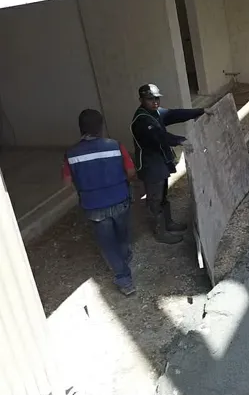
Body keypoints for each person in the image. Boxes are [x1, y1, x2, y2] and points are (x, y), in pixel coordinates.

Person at [63, 109, 137, 296]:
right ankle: (125, 256)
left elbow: (66, 183)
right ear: (101, 127)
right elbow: (130, 173)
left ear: (81, 129)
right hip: (120, 199)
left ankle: (124, 280)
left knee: (107, 244)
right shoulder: (115, 146)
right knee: (122, 232)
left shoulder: (71, 154)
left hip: (94, 206)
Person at [131, 83, 211, 245]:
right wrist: (180, 140)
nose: (155, 102)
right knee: (155, 198)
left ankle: (168, 223)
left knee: (163, 194)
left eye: (156, 99)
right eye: (150, 99)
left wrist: (199, 111)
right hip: (150, 164)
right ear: (141, 100)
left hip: (160, 160)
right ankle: (160, 232)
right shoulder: (142, 120)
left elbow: (174, 114)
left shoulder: (155, 112)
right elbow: (159, 136)